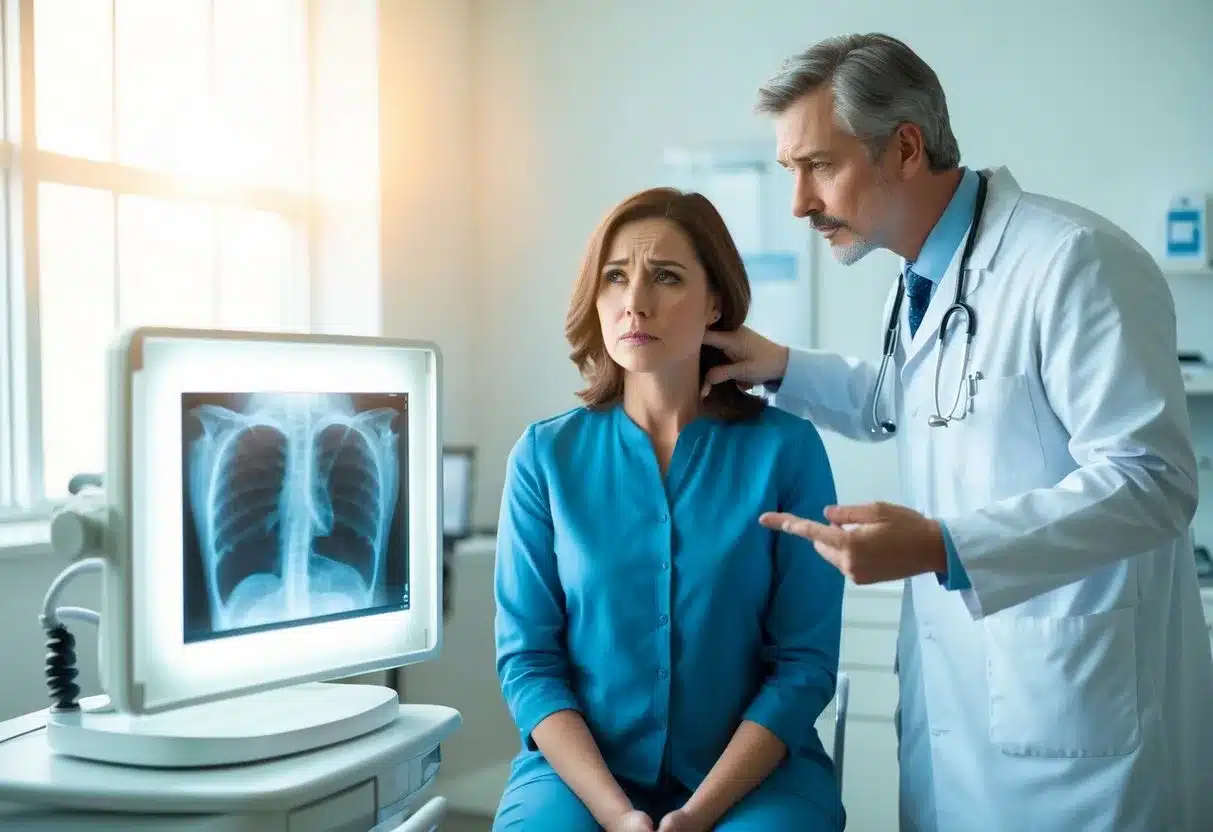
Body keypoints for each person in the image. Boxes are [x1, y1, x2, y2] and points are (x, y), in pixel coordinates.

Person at [701, 32, 1213, 831]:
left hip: (1080, 732)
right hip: (967, 715)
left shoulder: (1072, 261)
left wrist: (944, 546)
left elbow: (1153, 481)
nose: (798, 202)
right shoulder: (920, 277)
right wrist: (780, 367)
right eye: (788, 172)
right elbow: (914, 399)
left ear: (903, 147)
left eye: (819, 166)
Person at [492, 187, 846, 831]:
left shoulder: (787, 452)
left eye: (666, 277)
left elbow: (803, 665)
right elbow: (528, 663)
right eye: (616, 278)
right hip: (580, 776)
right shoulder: (545, 457)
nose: (635, 302)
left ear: (715, 301)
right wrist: (616, 813)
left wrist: (697, 814)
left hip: (757, 777)